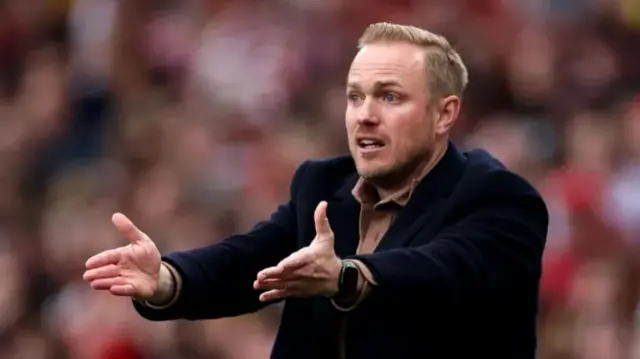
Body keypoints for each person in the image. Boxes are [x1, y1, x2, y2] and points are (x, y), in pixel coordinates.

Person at [83, 22, 548, 358]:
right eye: (355, 96)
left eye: (390, 96)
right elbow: (250, 260)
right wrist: (166, 279)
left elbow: (442, 271)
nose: (365, 114)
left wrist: (346, 275)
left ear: (444, 114)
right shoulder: (324, 186)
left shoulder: (501, 199)